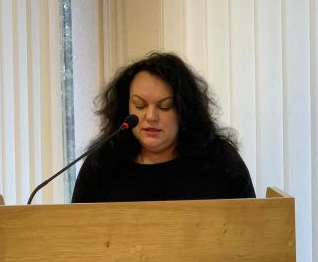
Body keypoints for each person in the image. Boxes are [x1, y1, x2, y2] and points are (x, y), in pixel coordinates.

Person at [71, 52, 256, 203]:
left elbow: (250, 228)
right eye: (139, 105)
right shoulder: (102, 164)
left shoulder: (220, 161)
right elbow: (77, 231)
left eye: (165, 106)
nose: (151, 117)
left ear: (184, 110)